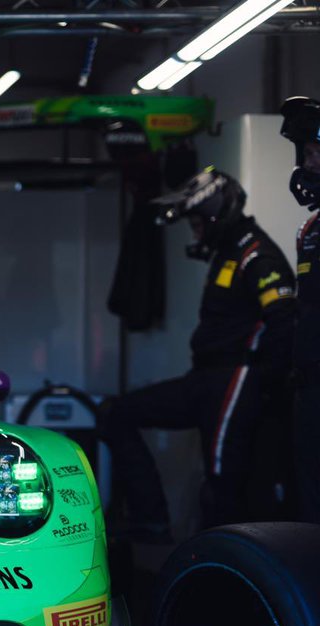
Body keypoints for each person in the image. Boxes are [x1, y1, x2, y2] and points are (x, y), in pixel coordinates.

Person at [99, 168, 296, 541]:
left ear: (217, 213)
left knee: (222, 488)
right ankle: (152, 522)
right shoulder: (227, 253)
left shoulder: (258, 255)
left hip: (236, 378)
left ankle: (223, 575)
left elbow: (285, 322)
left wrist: (264, 387)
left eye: (197, 222)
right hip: (204, 379)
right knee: (116, 414)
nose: (195, 232)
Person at [280, 96, 320, 523]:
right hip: (308, 383)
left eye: (314, 153)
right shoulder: (310, 228)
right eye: (305, 154)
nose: (307, 165)